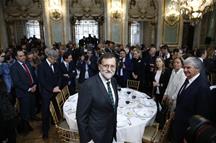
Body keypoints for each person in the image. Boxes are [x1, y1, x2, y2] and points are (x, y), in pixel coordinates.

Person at [76, 53, 119, 143]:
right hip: (95, 136)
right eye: (106, 66)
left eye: (112, 66)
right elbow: (81, 117)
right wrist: (88, 140)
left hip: (110, 133)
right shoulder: (88, 86)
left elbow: (111, 108)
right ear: (99, 67)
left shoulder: (114, 81)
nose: (109, 69)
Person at [172, 57, 211, 143]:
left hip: (187, 131)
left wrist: (191, 134)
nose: (185, 70)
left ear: (197, 69)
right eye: (184, 67)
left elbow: (202, 115)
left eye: (188, 67)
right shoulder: (188, 79)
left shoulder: (202, 87)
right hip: (179, 125)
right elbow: (182, 99)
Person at [10, 49, 37, 134]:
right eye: (20, 56)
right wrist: (29, 88)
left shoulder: (27, 63)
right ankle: (24, 129)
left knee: (32, 106)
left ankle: (32, 118)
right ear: (16, 57)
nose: (23, 57)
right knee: (24, 111)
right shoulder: (14, 67)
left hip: (32, 89)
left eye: (23, 55)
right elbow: (17, 82)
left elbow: (32, 75)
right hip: (23, 92)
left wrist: (35, 84)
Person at [37, 48, 61, 139]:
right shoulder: (41, 66)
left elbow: (59, 76)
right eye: (54, 59)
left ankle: (55, 123)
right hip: (46, 93)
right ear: (49, 57)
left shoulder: (56, 64)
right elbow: (42, 81)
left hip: (55, 91)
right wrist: (52, 89)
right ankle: (45, 131)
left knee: (56, 110)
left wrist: (58, 86)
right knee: (45, 113)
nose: (55, 61)